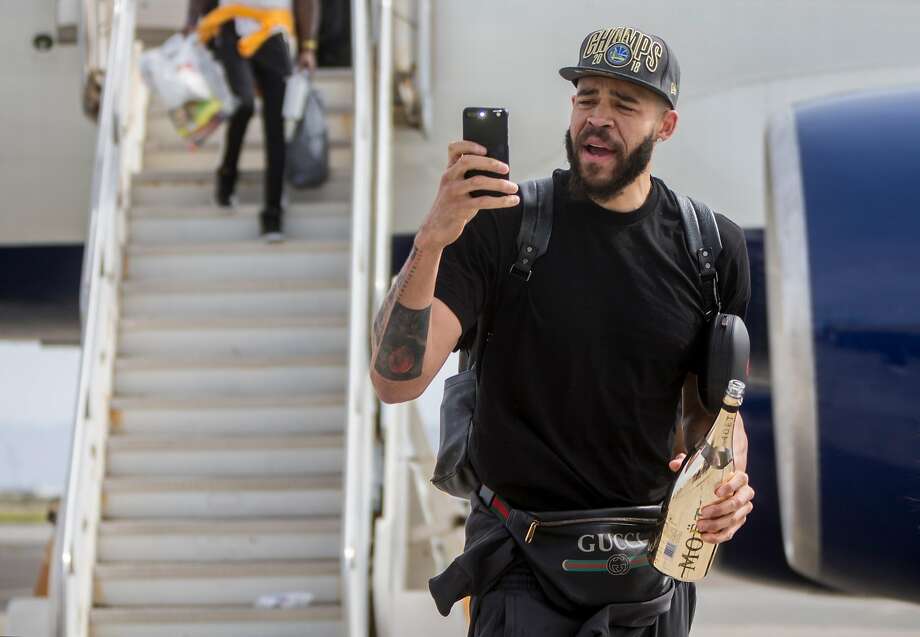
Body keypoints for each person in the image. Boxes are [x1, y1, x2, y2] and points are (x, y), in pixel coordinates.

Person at [370, 25, 754, 636]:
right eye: (587, 98)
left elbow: (714, 416)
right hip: (525, 567)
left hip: (649, 574)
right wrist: (432, 239)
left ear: (666, 126)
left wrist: (727, 481)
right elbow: (396, 379)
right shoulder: (501, 226)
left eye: (624, 105)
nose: (598, 118)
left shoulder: (712, 249)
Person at [185, 0, 321, 242]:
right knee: (243, 104)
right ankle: (227, 176)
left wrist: (308, 46)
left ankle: (273, 216)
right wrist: (191, 20)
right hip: (232, 27)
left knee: (275, 128)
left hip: (274, 31)